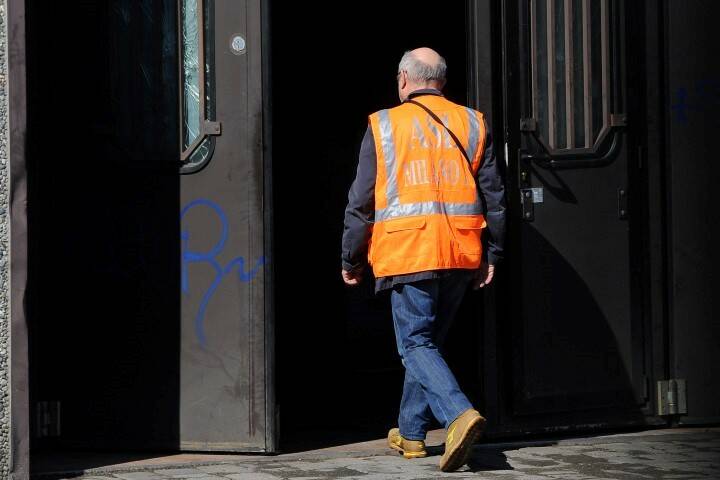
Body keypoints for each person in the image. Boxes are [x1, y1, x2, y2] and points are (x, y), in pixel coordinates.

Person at [340, 47, 506, 472]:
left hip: (409, 250)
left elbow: (361, 201)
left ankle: (458, 414)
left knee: (414, 344)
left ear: (403, 79)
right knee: (426, 343)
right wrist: (493, 252)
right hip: (460, 251)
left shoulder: (385, 125)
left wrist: (351, 256)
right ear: (442, 82)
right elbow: (494, 195)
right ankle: (411, 433)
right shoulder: (472, 122)